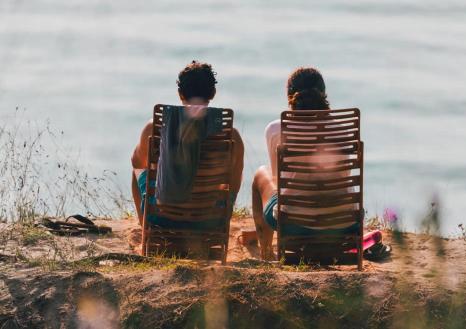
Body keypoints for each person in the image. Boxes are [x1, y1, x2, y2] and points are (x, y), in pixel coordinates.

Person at [252, 67, 352, 260]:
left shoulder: (275, 129)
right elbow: (345, 178)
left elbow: (277, 180)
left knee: (261, 174)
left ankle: (266, 252)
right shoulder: (343, 130)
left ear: (290, 96)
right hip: (340, 221)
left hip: (293, 223)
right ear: (324, 95)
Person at [131, 61, 244, 224]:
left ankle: (145, 226)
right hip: (208, 218)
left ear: (180, 94)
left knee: (137, 170)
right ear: (213, 93)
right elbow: (234, 178)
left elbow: (137, 162)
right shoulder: (231, 135)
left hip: (162, 217)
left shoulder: (154, 127)